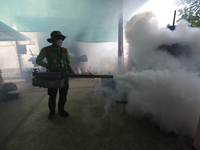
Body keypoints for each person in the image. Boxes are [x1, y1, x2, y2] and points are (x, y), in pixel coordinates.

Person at [36, 31, 73, 120]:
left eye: (61, 39)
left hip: (64, 76)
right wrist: (48, 66)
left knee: (63, 95)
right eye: (58, 39)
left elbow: (69, 60)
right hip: (52, 76)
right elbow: (38, 61)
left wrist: (69, 67)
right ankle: (52, 111)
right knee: (52, 95)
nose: (60, 40)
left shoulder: (64, 50)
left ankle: (61, 110)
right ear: (52, 40)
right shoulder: (46, 50)